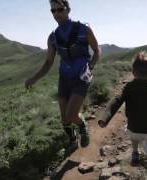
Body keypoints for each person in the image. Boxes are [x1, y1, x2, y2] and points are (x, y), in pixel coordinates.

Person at [25, 0, 100, 152]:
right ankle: (72, 141)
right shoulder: (53, 37)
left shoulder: (83, 29)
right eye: (53, 11)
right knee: (64, 118)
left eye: (59, 9)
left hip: (81, 77)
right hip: (64, 79)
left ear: (68, 9)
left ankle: (82, 125)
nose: (56, 14)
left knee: (71, 114)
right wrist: (34, 78)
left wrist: (91, 66)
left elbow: (97, 50)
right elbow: (48, 63)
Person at [98, 51, 147, 180]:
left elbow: (116, 100)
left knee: (134, 135)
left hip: (134, 128)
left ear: (133, 72)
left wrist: (105, 118)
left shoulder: (128, 87)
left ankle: (135, 153)